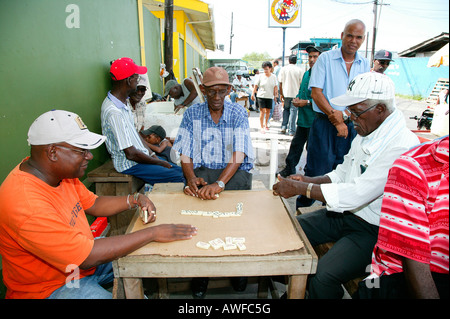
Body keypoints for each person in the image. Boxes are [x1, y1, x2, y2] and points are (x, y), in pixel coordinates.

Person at [0, 110, 197, 299]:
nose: (90, 156)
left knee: (144, 256)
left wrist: (135, 199)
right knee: (144, 242)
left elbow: (94, 203)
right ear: (53, 152)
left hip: (81, 266)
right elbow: (87, 257)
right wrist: (154, 232)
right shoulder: (26, 204)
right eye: (82, 150)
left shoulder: (57, 175)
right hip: (52, 287)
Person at [273, 72, 420, 299]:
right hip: (347, 215)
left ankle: (312, 291)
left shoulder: (401, 146)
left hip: (374, 230)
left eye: (355, 111)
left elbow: (356, 194)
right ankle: (301, 290)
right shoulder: (368, 128)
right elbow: (343, 173)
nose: (350, 117)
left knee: (324, 276)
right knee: (292, 231)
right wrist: (309, 180)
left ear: (379, 110)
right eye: (349, 110)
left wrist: (301, 189)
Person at [173, 66, 254, 298]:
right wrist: (190, 179)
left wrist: (219, 183)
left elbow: (239, 153)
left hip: (233, 172)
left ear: (229, 89)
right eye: (211, 92)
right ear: (202, 90)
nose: (217, 98)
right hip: (203, 171)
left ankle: (238, 268)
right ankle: (201, 274)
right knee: (201, 223)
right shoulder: (192, 113)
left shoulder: (238, 113)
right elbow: (185, 152)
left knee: (234, 222)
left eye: (221, 91)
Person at [356, 136, 449, 299]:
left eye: (356, 113)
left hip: (366, 222)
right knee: (326, 274)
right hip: (400, 270)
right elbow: (354, 192)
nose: (353, 119)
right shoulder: (414, 167)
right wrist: (308, 188)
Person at [297, 19, 371, 208]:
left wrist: (344, 116)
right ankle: (301, 215)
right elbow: (316, 93)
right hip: (324, 124)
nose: (353, 41)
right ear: (342, 36)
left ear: (363, 39)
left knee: (344, 174)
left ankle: (329, 216)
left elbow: (362, 96)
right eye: (350, 35)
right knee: (316, 171)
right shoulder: (325, 59)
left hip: (351, 126)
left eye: (358, 37)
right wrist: (335, 117)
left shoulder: (364, 64)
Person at [101, 57, 184, 185]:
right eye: (136, 78)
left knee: (182, 170)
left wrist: (152, 155)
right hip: (131, 164)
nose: (138, 81)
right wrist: (158, 162)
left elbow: (136, 136)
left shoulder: (123, 104)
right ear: (129, 81)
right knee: (182, 177)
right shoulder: (114, 112)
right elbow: (131, 154)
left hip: (140, 159)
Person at [278, 46, 323, 177]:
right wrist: (298, 98)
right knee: (296, 145)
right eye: (310, 57)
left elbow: (325, 99)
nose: (312, 59)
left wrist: (307, 102)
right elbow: (302, 91)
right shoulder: (307, 73)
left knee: (312, 149)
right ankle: (289, 168)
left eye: (315, 56)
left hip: (314, 119)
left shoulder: (323, 75)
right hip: (303, 119)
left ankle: (310, 174)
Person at [279, 55, 303, 135]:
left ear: (289, 60)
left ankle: (283, 126)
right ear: (296, 61)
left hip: (286, 93)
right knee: (293, 111)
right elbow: (301, 83)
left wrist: (281, 94)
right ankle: (291, 130)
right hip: (295, 94)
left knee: (286, 109)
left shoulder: (283, 69)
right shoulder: (299, 70)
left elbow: (280, 82)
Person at [251, 61, 278, 133]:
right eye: (264, 69)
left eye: (266, 69)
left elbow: (275, 87)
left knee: (268, 112)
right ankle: (261, 126)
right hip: (261, 96)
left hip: (269, 96)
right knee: (262, 112)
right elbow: (256, 85)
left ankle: (266, 124)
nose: (265, 71)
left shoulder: (274, 77)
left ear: (270, 68)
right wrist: (253, 94)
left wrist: (276, 95)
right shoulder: (260, 76)